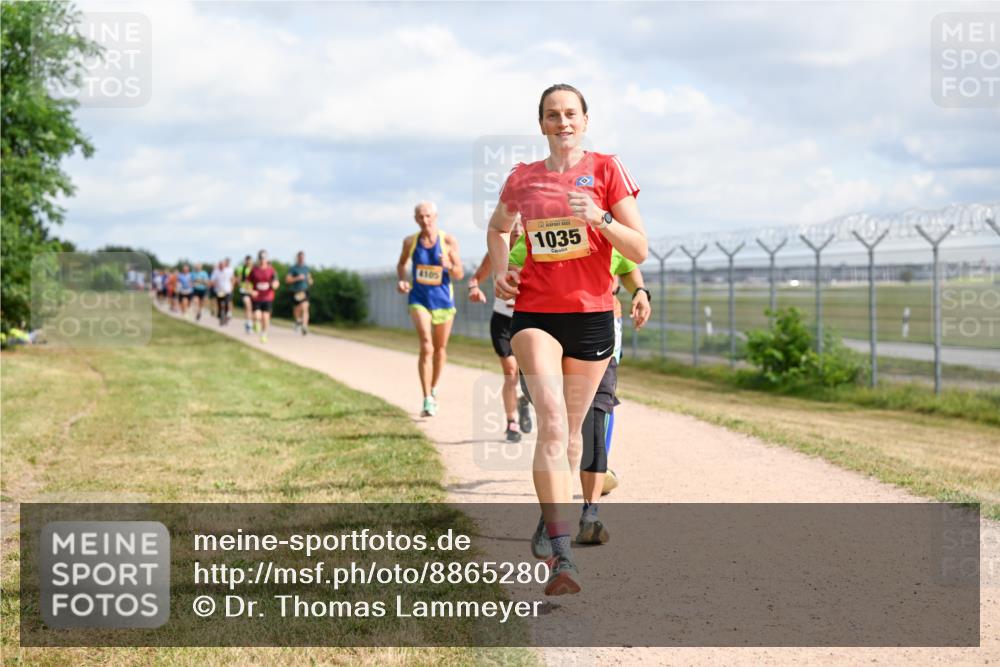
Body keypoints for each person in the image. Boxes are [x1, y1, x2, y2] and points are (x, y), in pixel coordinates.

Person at [486, 84, 647, 596]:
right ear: (541, 124)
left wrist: (597, 217)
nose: (562, 122)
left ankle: (550, 512)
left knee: (572, 434)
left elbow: (639, 248)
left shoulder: (606, 169)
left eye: (570, 114)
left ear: (585, 119)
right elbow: (497, 229)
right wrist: (498, 274)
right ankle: (561, 558)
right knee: (553, 424)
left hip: (593, 317)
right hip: (535, 314)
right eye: (552, 115)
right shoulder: (523, 179)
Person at [509, 234, 652, 552]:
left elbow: (629, 263)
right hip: (551, 336)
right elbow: (514, 263)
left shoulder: (606, 226)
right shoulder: (542, 226)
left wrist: (640, 292)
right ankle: (553, 518)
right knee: (562, 428)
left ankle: (589, 513)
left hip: (601, 337)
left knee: (595, 418)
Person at [468, 218, 533, 443]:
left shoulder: (535, 250)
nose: (516, 229)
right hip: (503, 322)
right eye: (512, 225)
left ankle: (525, 400)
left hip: (529, 321)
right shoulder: (498, 252)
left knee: (533, 378)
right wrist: (474, 288)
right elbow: (475, 278)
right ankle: (511, 422)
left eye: (520, 225)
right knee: (511, 372)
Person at [396, 201, 464, 417]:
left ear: (435, 216)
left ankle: (434, 388)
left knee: (440, 349)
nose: (424, 220)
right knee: (427, 346)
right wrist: (402, 280)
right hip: (419, 299)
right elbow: (401, 265)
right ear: (415, 219)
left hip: (443, 301)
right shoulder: (410, 241)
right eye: (420, 216)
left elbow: (459, 273)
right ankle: (426, 398)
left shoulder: (448, 240)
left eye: (428, 216)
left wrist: (449, 266)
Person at [249, 250, 279, 343]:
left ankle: (264, 334)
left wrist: (275, 285)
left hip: (268, 297)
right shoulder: (254, 270)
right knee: (257, 316)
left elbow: (276, 282)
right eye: (261, 258)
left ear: (267, 259)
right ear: (258, 259)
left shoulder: (271, 270)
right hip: (257, 297)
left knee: (266, 317)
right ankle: (256, 323)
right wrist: (251, 291)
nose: (263, 260)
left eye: (264, 258)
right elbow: (247, 283)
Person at [286, 251, 314, 335]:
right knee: (297, 309)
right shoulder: (293, 268)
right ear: (297, 258)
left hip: (304, 291)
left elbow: (310, 279)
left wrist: (310, 281)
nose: (302, 259)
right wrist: (297, 278)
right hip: (295, 291)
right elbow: (287, 280)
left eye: (303, 257)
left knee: (305, 307)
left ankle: (304, 326)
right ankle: (298, 320)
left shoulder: (306, 268)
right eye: (300, 257)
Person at [235, 255, 254, 333]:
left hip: (253, 291)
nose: (248, 262)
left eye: (250, 261)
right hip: (244, 291)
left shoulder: (254, 269)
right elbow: (238, 280)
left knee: (252, 308)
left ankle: (249, 322)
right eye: (247, 261)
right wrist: (241, 285)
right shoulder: (241, 269)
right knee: (248, 305)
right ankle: (248, 324)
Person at [211, 258, 234, 325]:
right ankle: (220, 316)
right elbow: (212, 280)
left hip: (227, 290)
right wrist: (213, 284)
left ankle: (227, 315)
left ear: (224, 265)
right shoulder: (216, 271)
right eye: (220, 265)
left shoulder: (229, 270)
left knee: (227, 303)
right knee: (219, 304)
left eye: (223, 265)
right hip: (219, 291)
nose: (221, 266)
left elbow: (232, 278)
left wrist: (232, 287)